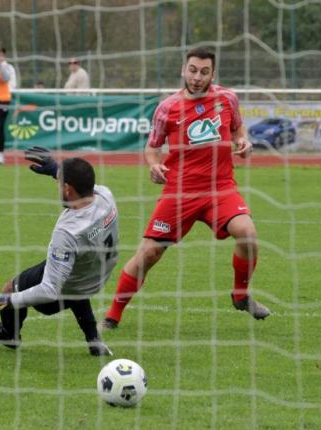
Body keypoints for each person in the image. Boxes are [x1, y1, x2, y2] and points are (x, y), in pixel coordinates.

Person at [101, 47, 270, 329]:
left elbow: (238, 129)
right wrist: (153, 165)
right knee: (149, 254)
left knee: (248, 234)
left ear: (212, 74)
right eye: (192, 70)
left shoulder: (227, 99)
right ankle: (113, 315)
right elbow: (152, 148)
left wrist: (244, 141)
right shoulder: (168, 107)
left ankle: (240, 296)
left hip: (221, 188)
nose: (197, 77)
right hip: (180, 192)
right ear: (183, 70)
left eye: (204, 72)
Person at [0, 148, 118, 356]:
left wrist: (0, 300)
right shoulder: (105, 196)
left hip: (64, 289)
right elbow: (85, 185)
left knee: (11, 287)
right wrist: (56, 170)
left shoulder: (68, 231)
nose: (57, 187)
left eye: (59, 184)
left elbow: (49, 290)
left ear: (68, 189)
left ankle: (9, 333)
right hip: (97, 275)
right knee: (73, 275)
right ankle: (94, 340)